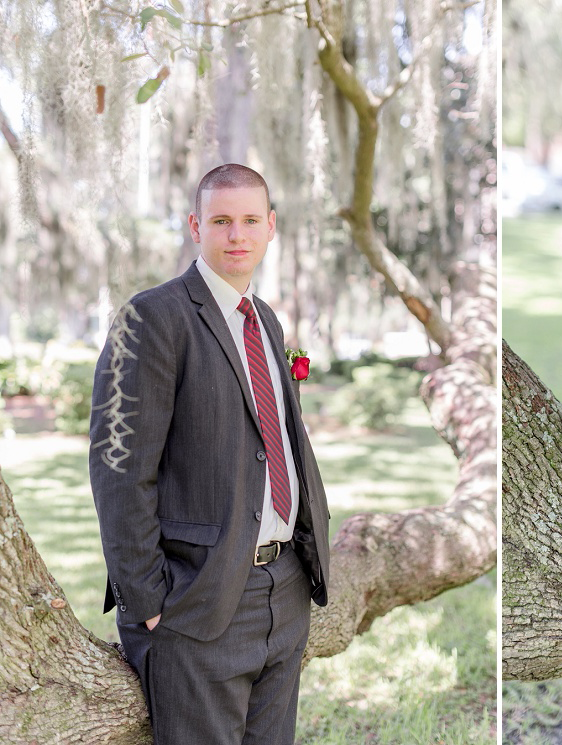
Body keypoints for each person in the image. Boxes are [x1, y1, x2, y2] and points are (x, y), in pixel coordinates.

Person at [89, 163, 331, 744]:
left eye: (250, 220)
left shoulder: (265, 320)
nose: (237, 235)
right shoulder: (152, 317)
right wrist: (149, 603)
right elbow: (119, 468)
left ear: (271, 227)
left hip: (286, 590)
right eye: (222, 221)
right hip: (197, 602)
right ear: (196, 225)